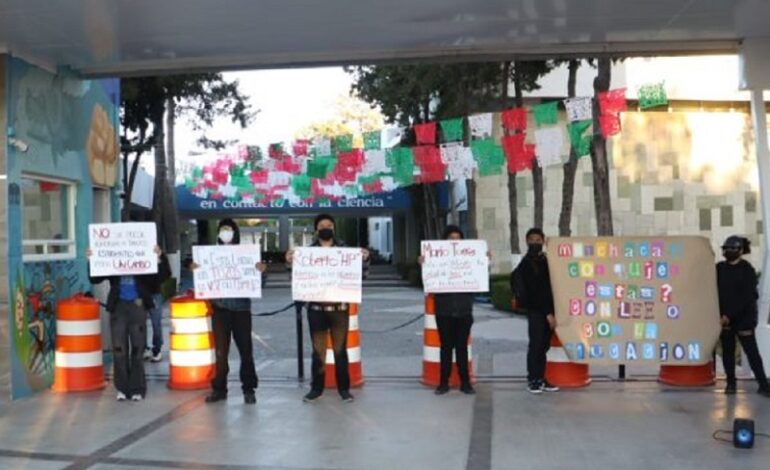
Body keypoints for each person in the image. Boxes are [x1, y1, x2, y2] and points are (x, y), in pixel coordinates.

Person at [285, 213, 369, 403]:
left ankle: (344, 389)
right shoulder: (307, 254)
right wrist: (290, 263)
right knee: (318, 351)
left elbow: (362, 277)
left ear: (334, 228)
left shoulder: (345, 251)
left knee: (340, 351)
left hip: (339, 309)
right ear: (316, 229)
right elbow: (294, 280)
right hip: (315, 310)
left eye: (329, 225)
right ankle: (316, 389)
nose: (326, 228)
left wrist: (365, 259)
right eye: (322, 225)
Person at [88, 239, 171, 402]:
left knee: (138, 349)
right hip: (118, 306)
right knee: (119, 349)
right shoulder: (112, 260)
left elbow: (163, 276)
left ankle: (137, 388)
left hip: (138, 305)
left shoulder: (145, 258)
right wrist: (92, 259)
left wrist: (159, 258)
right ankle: (122, 388)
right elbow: (95, 278)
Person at [195, 219, 266, 405]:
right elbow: (202, 277)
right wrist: (197, 269)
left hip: (242, 310)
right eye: (223, 230)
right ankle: (219, 389)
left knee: (246, 352)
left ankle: (249, 389)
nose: (226, 233)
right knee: (220, 353)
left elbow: (259, 283)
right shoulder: (209, 255)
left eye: (229, 229)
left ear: (235, 233)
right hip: (220, 310)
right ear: (218, 233)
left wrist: (260, 271)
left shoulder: (246, 255)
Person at [418, 225, 479, 395]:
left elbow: (480, 277)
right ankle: (443, 382)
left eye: (457, 238)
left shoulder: (470, 259)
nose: (454, 242)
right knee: (445, 348)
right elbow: (428, 281)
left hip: (464, 311)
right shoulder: (437, 258)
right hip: (443, 311)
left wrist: (485, 260)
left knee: (461, 348)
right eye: (451, 238)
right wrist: (424, 265)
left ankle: (465, 382)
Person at [716, 235, 770, 397]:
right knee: (728, 352)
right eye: (726, 249)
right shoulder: (719, 268)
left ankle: (763, 384)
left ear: (740, 251)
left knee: (751, 352)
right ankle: (731, 383)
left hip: (743, 318)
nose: (728, 251)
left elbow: (748, 297)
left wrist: (729, 315)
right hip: (724, 318)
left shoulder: (747, 270)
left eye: (732, 249)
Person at [512, 227, 559, 394]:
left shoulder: (547, 261)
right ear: (526, 242)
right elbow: (535, 291)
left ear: (543, 241)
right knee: (536, 345)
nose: (535, 243)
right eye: (531, 240)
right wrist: (548, 314)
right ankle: (533, 379)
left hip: (549, 311)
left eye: (538, 240)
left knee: (543, 346)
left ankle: (541, 378)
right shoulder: (526, 264)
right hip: (537, 312)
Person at [143, 251, 169, 363]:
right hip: (141, 292)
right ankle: (144, 348)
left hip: (154, 292)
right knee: (140, 323)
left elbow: (166, 274)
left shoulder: (157, 253)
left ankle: (156, 349)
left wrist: (160, 257)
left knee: (156, 323)